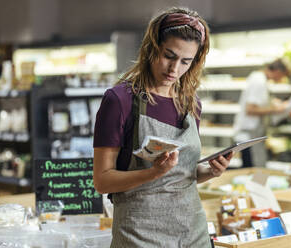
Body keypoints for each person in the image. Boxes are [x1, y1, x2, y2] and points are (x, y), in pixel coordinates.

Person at [93, 7, 233, 247]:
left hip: (192, 232)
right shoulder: (120, 100)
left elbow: (180, 176)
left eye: (185, 61)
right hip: (139, 234)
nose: (174, 69)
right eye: (169, 55)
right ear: (152, 47)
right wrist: (152, 172)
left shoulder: (191, 103)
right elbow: (102, 181)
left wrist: (211, 171)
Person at [233, 59, 291, 168]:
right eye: (283, 75)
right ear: (278, 71)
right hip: (248, 137)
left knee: (257, 169)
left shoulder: (259, 78)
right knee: (253, 171)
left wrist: (272, 102)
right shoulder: (259, 81)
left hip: (253, 136)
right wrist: (275, 110)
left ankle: (257, 184)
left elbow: (256, 103)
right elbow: (250, 109)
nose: (282, 79)